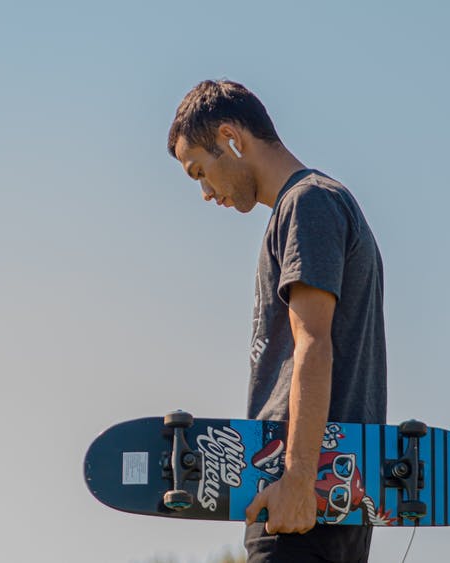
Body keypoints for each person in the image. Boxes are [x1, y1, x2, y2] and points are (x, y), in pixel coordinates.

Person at [167, 79, 386, 563]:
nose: (206, 192)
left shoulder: (307, 203)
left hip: (299, 503)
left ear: (231, 138)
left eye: (200, 171)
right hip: (332, 501)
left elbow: (313, 343)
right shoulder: (319, 204)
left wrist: (298, 479)